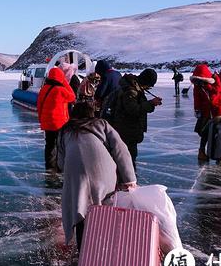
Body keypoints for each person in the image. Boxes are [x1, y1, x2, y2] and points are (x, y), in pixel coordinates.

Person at [57, 101, 137, 250]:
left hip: (76, 175)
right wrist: (129, 179)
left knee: (80, 207)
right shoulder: (102, 124)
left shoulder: (64, 130)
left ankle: (84, 251)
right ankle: (105, 247)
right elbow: (121, 150)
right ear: (92, 113)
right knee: (105, 206)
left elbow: (61, 163)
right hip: (103, 171)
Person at [108, 69, 162, 170]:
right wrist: (151, 103)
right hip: (127, 130)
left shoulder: (133, 88)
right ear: (145, 81)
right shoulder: (131, 91)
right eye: (149, 85)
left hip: (128, 129)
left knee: (128, 157)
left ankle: (127, 180)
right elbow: (133, 110)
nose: (149, 88)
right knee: (128, 158)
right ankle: (128, 181)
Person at [37, 67, 76, 171]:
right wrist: (65, 82)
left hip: (47, 122)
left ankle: (49, 166)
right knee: (60, 146)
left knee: (49, 144)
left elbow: (39, 105)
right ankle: (59, 166)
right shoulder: (61, 90)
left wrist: (41, 119)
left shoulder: (44, 89)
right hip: (59, 123)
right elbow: (72, 97)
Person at [190, 63, 221, 161]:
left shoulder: (215, 82)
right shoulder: (198, 85)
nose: (198, 83)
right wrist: (197, 109)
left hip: (219, 111)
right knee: (205, 131)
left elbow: (217, 96)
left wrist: (207, 86)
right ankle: (203, 151)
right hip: (207, 112)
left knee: (219, 132)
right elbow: (197, 98)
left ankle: (220, 153)